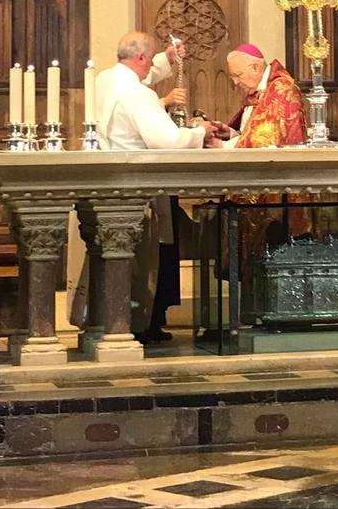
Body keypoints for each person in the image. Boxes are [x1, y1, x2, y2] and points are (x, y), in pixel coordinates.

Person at [67, 32, 211, 344]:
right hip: (136, 189)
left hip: (107, 184)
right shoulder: (137, 94)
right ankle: (133, 325)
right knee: (141, 261)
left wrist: (166, 60)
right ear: (142, 58)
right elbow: (169, 141)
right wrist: (200, 133)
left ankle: (102, 320)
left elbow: (139, 78)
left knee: (108, 255)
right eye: (150, 59)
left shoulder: (105, 79)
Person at [204, 44, 313, 265]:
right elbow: (253, 130)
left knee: (270, 255)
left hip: (277, 189)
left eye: (238, 75)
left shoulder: (281, 90)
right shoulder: (261, 92)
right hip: (256, 181)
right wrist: (231, 133)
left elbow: (265, 139)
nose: (235, 82)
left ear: (254, 67)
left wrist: (223, 147)